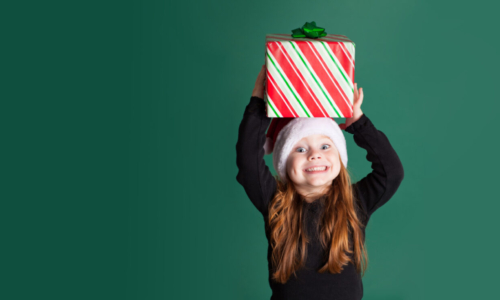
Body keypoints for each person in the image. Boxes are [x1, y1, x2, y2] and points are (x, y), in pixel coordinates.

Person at [236, 64, 404, 300]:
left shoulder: (356, 203)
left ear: (339, 157)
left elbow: (392, 173)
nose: (314, 155)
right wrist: (260, 103)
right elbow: (248, 162)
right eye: (300, 148)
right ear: (284, 163)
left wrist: (359, 123)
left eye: (325, 146)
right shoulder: (275, 201)